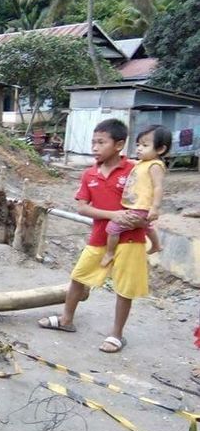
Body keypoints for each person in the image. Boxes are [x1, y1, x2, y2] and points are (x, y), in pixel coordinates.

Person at [38, 119, 150, 354]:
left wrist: (137, 218)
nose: (95, 147)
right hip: (100, 237)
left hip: (131, 239)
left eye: (101, 142)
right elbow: (82, 208)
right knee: (78, 277)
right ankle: (67, 319)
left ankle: (117, 334)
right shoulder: (89, 174)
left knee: (124, 288)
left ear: (119, 145)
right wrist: (114, 215)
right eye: (93, 142)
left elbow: (146, 203)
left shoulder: (134, 171)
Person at [100, 125, 171, 267]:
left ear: (160, 149)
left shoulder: (155, 165)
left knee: (113, 227)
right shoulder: (143, 163)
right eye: (138, 145)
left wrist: (155, 208)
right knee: (147, 226)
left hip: (141, 206)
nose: (139, 148)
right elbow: (130, 163)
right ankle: (157, 245)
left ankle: (109, 253)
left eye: (145, 145)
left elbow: (158, 187)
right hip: (137, 205)